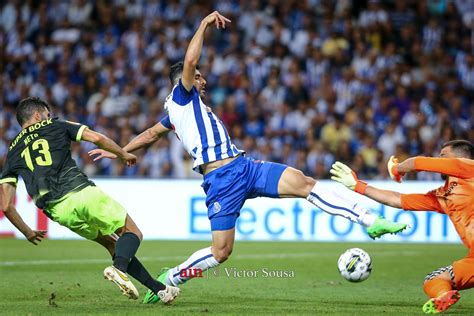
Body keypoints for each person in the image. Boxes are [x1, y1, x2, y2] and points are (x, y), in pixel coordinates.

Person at [89, 11, 407, 304]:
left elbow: (147, 136)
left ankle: (369, 220)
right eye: (198, 76)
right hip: (221, 181)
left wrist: (118, 150)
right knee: (222, 251)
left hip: (245, 167)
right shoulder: (182, 96)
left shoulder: (175, 114)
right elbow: (188, 61)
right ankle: (171, 276)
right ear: (185, 81)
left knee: (304, 183)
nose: (202, 80)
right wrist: (203, 24)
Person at [0, 97, 180, 304]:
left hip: (58, 211)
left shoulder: (12, 151)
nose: (49, 118)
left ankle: (160, 290)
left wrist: (27, 232)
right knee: (132, 233)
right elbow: (95, 137)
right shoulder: (56, 124)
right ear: (38, 115)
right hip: (81, 193)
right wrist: (122, 153)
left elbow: (5, 205)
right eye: (47, 115)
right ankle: (118, 270)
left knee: (113, 245)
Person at [330, 140, 474, 314]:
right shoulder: (443, 196)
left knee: (433, 278)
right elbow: (396, 199)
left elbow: (418, 162)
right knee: (433, 280)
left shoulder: (469, 168)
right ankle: (443, 295)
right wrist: (357, 185)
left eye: (443, 156)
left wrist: (395, 170)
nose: (438, 158)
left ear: (461, 157)